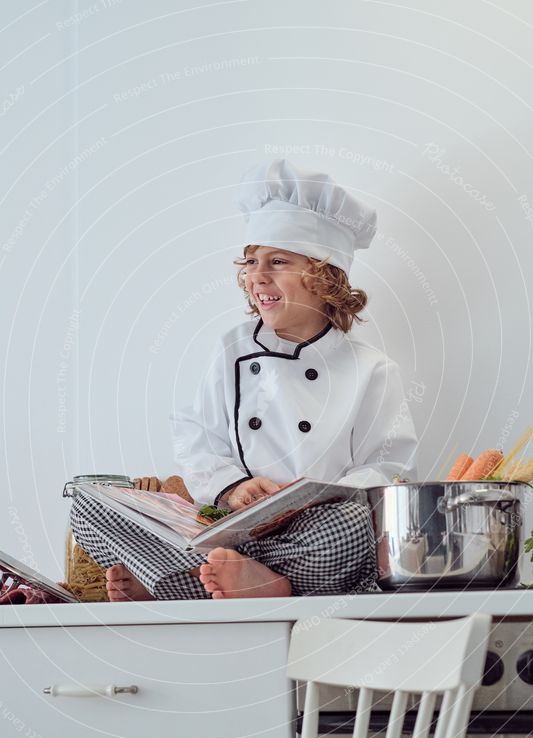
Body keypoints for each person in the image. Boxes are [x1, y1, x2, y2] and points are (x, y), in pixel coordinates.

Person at [70, 160, 417, 601]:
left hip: (311, 537)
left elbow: (391, 473)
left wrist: (316, 498)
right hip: (225, 532)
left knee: (349, 529)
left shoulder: (372, 369)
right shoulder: (230, 348)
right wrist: (231, 488)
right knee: (91, 506)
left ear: (325, 277)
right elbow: (198, 438)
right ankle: (235, 579)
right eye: (251, 262)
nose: (257, 276)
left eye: (277, 261)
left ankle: (188, 583)